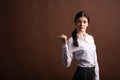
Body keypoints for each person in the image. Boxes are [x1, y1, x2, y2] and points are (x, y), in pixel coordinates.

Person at [58, 11, 99, 80]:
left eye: (84, 22)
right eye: (79, 21)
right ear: (75, 23)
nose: (82, 24)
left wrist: (97, 77)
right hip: (82, 74)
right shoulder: (71, 40)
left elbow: (95, 60)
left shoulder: (91, 38)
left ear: (88, 24)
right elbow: (67, 64)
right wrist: (64, 45)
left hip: (93, 72)